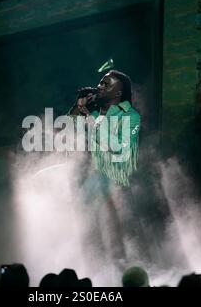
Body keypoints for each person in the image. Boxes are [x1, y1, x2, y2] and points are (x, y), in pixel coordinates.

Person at [68, 70, 142, 263]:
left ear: (118, 93)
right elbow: (69, 129)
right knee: (87, 239)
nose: (99, 86)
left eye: (106, 84)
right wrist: (79, 105)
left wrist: (90, 119)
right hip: (92, 186)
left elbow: (118, 147)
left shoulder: (131, 116)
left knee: (118, 244)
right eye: (100, 83)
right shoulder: (95, 114)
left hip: (119, 191)